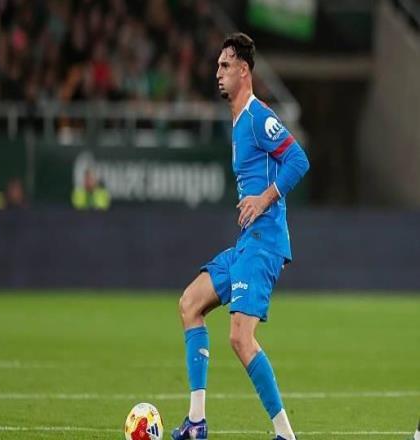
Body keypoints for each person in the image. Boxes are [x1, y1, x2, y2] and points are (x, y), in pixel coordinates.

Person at [171, 33, 310, 440]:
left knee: (240, 337)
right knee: (190, 304)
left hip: (264, 242)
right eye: (218, 65)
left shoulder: (257, 117)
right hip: (247, 243)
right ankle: (196, 422)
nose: (218, 72)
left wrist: (265, 198)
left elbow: (299, 159)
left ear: (244, 71)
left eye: (225, 65)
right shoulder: (237, 122)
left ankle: (285, 435)